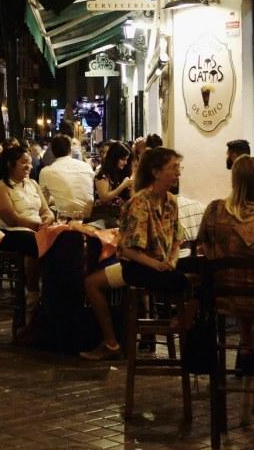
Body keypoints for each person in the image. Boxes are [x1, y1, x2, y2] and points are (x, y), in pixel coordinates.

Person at [80, 146, 190, 360]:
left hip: (155, 267)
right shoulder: (139, 203)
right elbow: (128, 250)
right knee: (90, 283)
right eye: (173, 168)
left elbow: (177, 240)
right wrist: (157, 264)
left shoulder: (171, 202)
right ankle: (113, 342)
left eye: (179, 167)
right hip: (138, 267)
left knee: (195, 276)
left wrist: (171, 261)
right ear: (156, 172)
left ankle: (182, 326)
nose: (178, 173)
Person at [200, 156, 254, 352]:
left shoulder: (214, 210)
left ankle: (247, 343)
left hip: (222, 295)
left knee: (239, 281)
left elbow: (202, 247)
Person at [0, 144, 53, 308]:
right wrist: (38, 225)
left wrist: (47, 219)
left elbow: (46, 210)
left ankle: (52, 291)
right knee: (35, 241)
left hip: (36, 228)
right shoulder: (1, 187)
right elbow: (11, 219)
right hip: (8, 233)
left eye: (30, 162)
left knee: (61, 239)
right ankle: (33, 292)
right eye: (24, 162)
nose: (29, 166)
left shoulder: (32, 183)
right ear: (10, 164)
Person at [39, 134, 95, 220]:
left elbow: (43, 203)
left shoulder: (46, 171)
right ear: (70, 150)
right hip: (90, 216)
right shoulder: (86, 166)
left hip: (64, 219)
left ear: (52, 152)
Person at [93, 142, 134, 218]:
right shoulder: (102, 174)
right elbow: (104, 197)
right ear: (114, 158)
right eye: (123, 159)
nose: (125, 163)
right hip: (104, 215)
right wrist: (123, 185)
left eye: (127, 160)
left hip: (118, 214)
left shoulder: (120, 173)